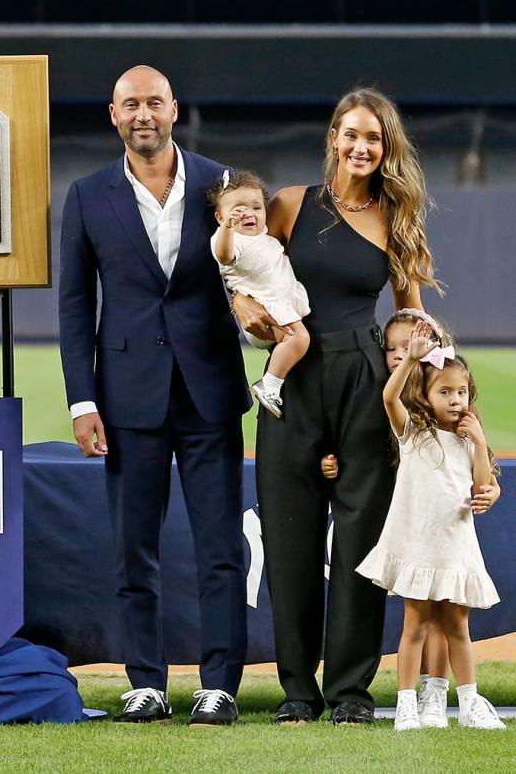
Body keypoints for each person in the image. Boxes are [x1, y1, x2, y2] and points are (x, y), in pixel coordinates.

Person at [232, 88, 440, 724]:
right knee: (290, 534)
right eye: (351, 134)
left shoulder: (396, 220)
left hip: (364, 376)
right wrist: (243, 311)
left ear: (385, 149)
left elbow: (409, 312)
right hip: (293, 374)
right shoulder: (290, 204)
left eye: (373, 138)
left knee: (360, 538)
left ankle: (351, 692)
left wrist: (430, 370)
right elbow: (242, 269)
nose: (361, 146)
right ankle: (299, 690)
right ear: (333, 139)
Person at [58, 65, 251, 727]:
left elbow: (250, 273)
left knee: (221, 543)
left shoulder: (218, 185)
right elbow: (76, 307)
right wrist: (82, 401)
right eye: (131, 104)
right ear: (113, 114)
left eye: (155, 103)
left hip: (210, 390)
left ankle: (219, 682)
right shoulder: (86, 195)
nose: (144, 113)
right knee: (133, 544)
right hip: (125, 397)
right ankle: (146, 680)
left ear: (175, 109)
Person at [321, 309, 501, 728]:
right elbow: (389, 398)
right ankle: (407, 704)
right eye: (446, 392)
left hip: (454, 546)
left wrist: (478, 439)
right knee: (416, 622)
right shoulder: (414, 433)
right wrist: (414, 360)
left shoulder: (467, 437)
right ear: (425, 395)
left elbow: (481, 485)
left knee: (457, 623)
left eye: (462, 392)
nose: (456, 401)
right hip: (418, 544)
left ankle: (470, 702)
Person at [208, 169, 310, 418]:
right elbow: (223, 255)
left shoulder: (265, 237)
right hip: (264, 312)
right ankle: (270, 385)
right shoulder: (231, 240)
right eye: (238, 209)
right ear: (220, 216)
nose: (248, 213)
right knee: (300, 339)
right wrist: (226, 229)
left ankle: (275, 383)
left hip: (281, 304)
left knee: (297, 342)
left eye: (256, 207)